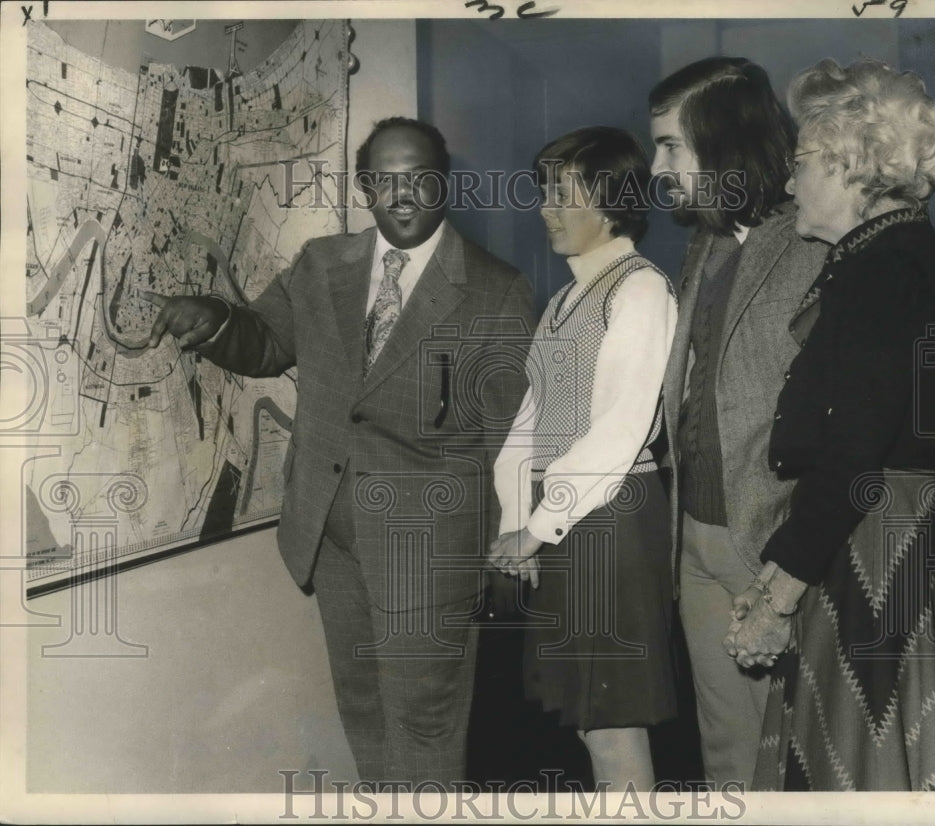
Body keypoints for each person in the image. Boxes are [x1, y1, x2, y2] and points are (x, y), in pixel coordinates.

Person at [144, 117, 536, 787]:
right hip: (334, 538)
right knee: (363, 710)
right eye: (384, 180)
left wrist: (516, 539)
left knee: (424, 725)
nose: (401, 195)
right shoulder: (323, 265)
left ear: (446, 184)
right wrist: (213, 320)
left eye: (419, 179)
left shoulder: (495, 291)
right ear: (364, 188)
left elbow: (519, 433)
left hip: (429, 551)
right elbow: (267, 341)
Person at [733, 58, 935, 791]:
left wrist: (777, 600)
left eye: (801, 161)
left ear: (854, 163)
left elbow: (851, 454)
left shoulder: (883, 268)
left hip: (877, 552)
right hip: (874, 539)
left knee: (854, 781)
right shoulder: (888, 254)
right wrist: (779, 571)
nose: (787, 182)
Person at [648, 57, 828, 787]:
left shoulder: (811, 243)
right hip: (694, 533)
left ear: (722, 144)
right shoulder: (707, 243)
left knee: (796, 756)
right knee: (726, 751)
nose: (657, 165)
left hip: (773, 546)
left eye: (671, 145)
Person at [490, 126, 678, 791]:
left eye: (563, 194)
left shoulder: (642, 290)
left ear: (610, 202)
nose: (546, 207)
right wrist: (518, 523)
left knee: (614, 729)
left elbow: (617, 432)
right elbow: (528, 425)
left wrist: (537, 527)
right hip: (564, 522)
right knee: (588, 725)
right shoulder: (567, 299)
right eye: (545, 191)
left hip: (611, 520)